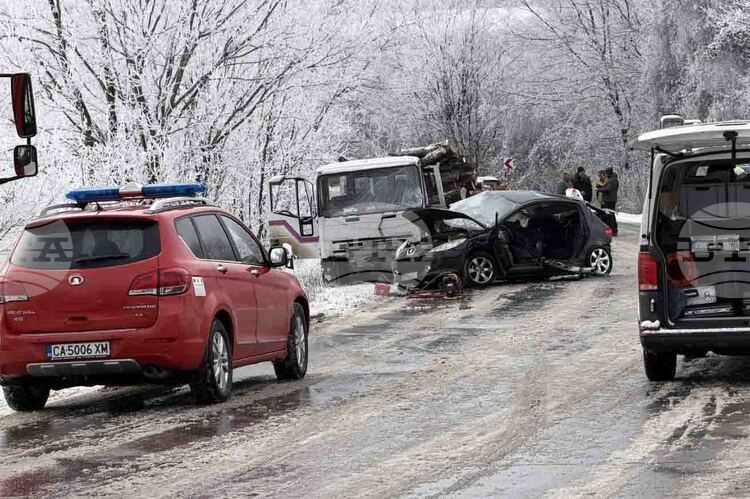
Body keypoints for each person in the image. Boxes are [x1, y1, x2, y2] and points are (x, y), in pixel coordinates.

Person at [597, 167, 620, 236]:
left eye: (606, 173)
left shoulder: (612, 180)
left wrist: (599, 189)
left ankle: (613, 230)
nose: (605, 174)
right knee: (610, 216)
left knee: (610, 216)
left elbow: (608, 189)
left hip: (609, 200)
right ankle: (613, 230)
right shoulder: (612, 179)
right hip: (609, 199)